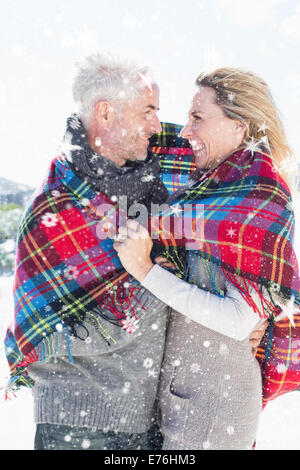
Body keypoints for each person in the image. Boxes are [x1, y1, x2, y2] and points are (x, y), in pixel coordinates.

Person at [4, 54, 266, 451]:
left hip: (148, 420)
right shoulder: (56, 207)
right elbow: (52, 338)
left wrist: (253, 313)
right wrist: (151, 285)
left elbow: (230, 169)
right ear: (105, 113)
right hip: (77, 423)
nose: (157, 126)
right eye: (148, 111)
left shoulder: (152, 178)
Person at [114, 67, 300, 450]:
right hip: (183, 397)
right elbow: (141, 142)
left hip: (215, 407)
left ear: (239, 127)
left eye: (197, 118)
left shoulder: (262, 197)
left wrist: (145, 269)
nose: (185, 131)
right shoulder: (209, 190)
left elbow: (237, 320)